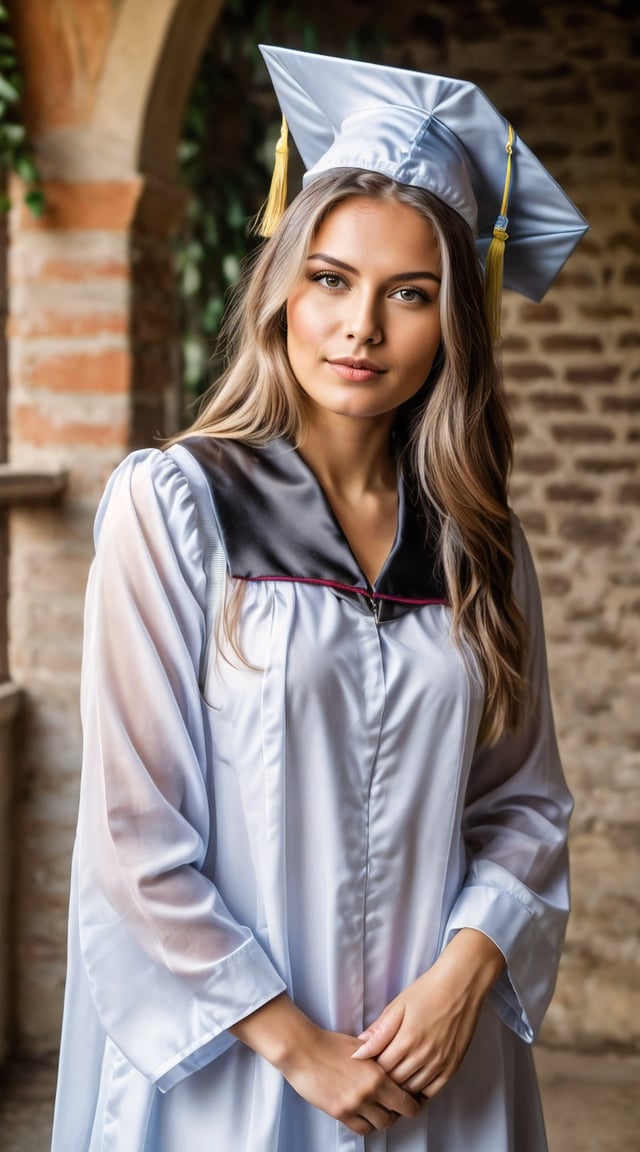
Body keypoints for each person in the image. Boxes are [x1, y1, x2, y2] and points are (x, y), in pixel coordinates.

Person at [51, 45, 588, 1152]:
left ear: (455, 324)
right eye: (332, 279)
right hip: (236, 1070)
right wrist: (299, 1046)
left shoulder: (480, 545)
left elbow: (523, 805)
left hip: (439, 1064)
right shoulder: (179, 508)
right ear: (282, 286)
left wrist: (463, 974)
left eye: (410, 294)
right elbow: (133, 833)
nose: (361, 329)